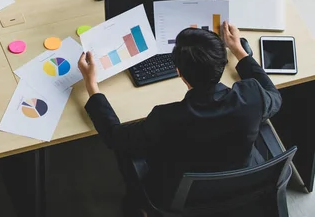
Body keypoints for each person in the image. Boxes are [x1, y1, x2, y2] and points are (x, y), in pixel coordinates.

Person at [78, 22, 282, 217]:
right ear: (223, 63)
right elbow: (275, 96)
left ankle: (138, 206)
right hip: (242, 184)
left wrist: (92, 86)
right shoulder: (252, 96)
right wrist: (239, 50)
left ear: (179, 72)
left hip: (182, 196)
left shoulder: (166, 118)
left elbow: (116, 138)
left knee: (125, 153)